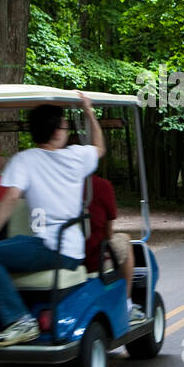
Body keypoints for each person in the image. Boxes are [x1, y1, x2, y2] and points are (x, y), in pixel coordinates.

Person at [0, 93, 103, 346]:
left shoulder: (25, 160)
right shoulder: (76, 156)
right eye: (64, 125)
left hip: (49, 246)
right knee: (5, 243)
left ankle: (20, 320)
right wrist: (89, 112)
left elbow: (10, 199)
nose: (66, 130)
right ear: (56, 131)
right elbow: (100, 147)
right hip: (70, 248)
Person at [67, 133, 139, 321]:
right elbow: (107, 232)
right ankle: (127, 304)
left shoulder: (56, 183)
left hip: (61, 256)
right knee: (125, 240)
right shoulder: (101, 186)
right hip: (92, 258)